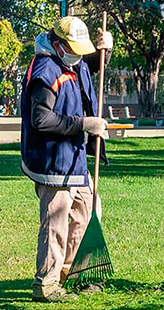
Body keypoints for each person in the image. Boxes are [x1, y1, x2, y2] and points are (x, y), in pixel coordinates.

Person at [20, 16, 113, 302]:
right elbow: (41, 119)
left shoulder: (73, 60)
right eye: (73, 49)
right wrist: (84, 124)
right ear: (58, 46)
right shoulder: (46, 71)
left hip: (75, 157)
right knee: (56, 222)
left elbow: (89, 68)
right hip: (51, 160)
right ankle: (46, 284)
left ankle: (73, 274)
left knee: (86, 210)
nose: (78, 54)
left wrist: (104, 51)